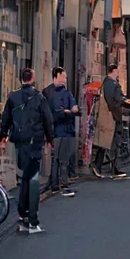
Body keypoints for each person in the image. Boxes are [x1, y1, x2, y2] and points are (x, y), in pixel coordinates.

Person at [0, 68, 54, 234]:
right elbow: (48, 119)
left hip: (20, 142)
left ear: (21, 78)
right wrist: (50, 139)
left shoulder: (13, 97)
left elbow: (5, 118)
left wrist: (3, 136)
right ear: (33, 78)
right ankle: (32, 220)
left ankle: (23, 216)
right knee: (33, 180)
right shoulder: (39, 97)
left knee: (25, 177)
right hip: (35, 142)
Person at [43, 67, 79, 196]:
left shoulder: (67, 92)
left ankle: (55, 185)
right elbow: (47, 113)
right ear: (56, 76)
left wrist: (73, 110)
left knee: (62, 157)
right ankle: (62, 185)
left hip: (67, 129)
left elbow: (74, 107)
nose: (65, 79)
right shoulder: (47, 92)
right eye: (63, 77)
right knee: (59, 159)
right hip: (56, 129)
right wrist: (63, 112)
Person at [92, 64, 130, 179]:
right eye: (117, 71)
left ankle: (101, 166)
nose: (118, 73)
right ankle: (111, 169)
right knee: (112, 143)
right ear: (113, 71)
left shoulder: (105, 83)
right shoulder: (112, 84)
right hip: (111, 117)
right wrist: (125, 101)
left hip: (107, 117)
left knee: (106, 143)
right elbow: (115, 99)